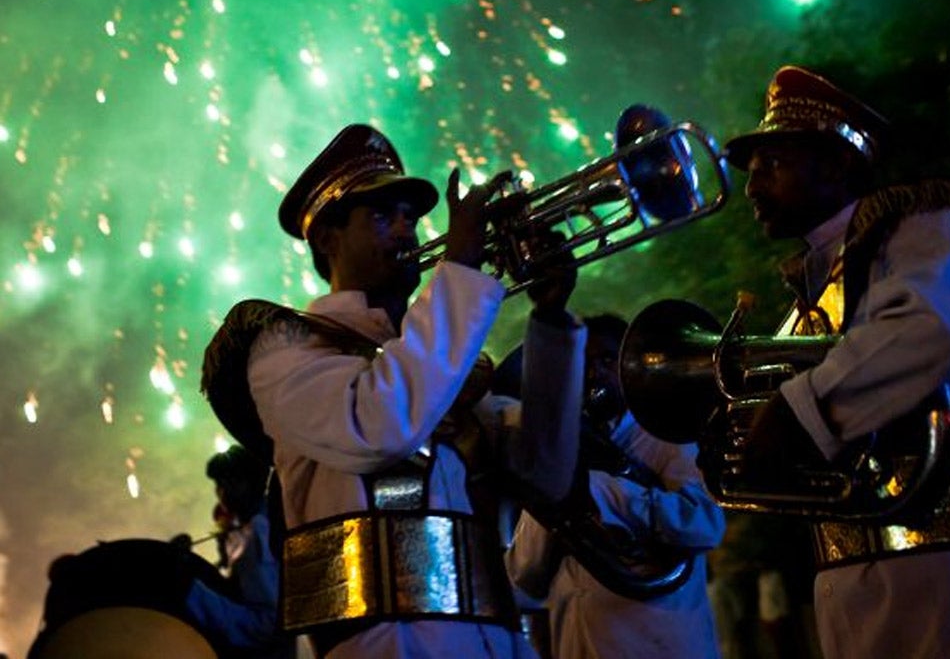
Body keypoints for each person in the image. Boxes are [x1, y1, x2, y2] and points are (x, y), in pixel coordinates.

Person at [200, 123, 587, 659]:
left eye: (411, 215)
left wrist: (550, 320)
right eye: (382, 215)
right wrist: (460, 270)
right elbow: (378, 426)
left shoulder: (437, 357)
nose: (406, 229)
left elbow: (547, 476)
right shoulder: (286, 348)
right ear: (326, 239)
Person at [720, 64, 950, 659]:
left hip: (940, 573)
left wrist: (796, 409)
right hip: (845, 578)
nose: (752, 188)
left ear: (835, 164)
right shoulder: (808, 285)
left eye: (772, 165)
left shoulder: (915, 223)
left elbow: (928, 326)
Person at [504, 312, 726, 659]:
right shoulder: (563, 452)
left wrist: (605, 492)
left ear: (630, 367)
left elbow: (705, 525)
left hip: (659, 644)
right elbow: (523, 574)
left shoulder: (666, 436)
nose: (595, 373)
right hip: (578, 642)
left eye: (607, 359)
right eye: (583, 363)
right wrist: (551, 495)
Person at [182, 445, 298, 659]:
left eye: (233, 481)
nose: (223, 491)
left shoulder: (259, 532)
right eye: (219, 483)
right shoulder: (243, 528)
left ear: (253, 482)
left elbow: (269, 622)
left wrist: (192, 592)